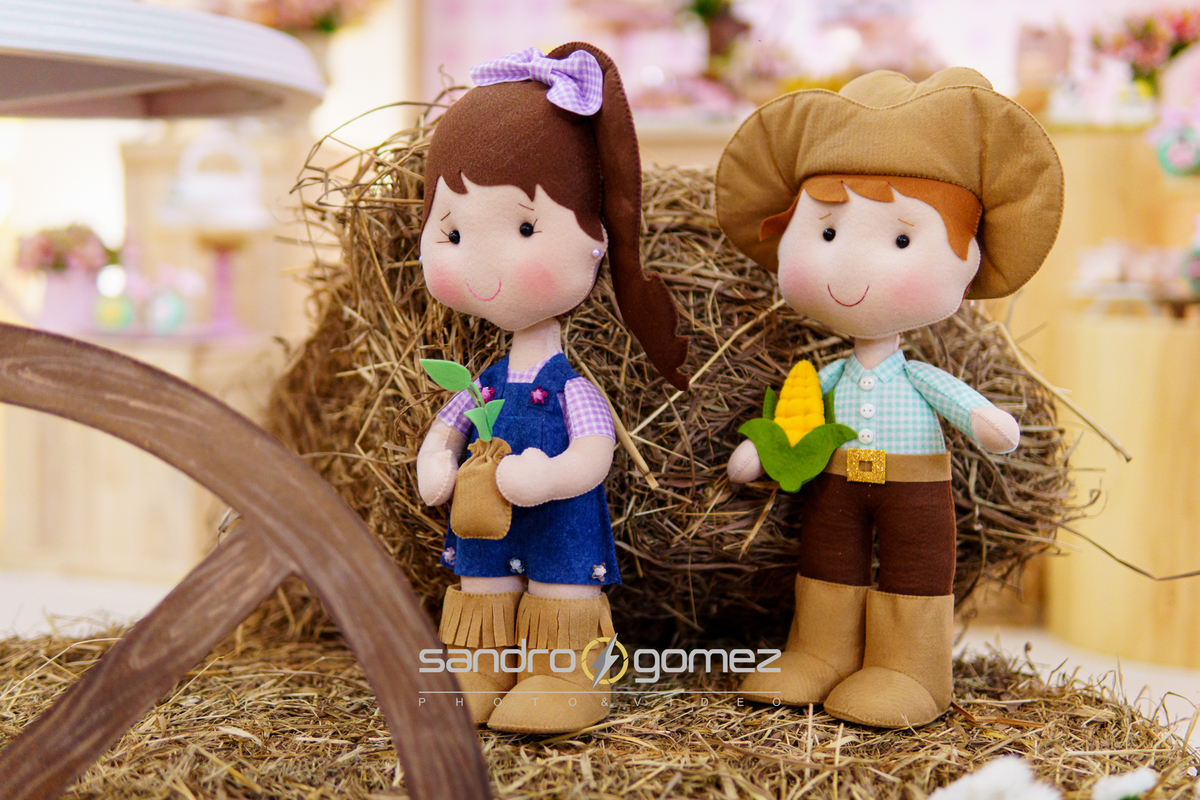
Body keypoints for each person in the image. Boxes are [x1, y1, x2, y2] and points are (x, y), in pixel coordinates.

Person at [715, 67, 1063, 728]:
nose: (850, 267)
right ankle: (820, 651)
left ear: (969, 260)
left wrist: (986, 420)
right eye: (826, 232)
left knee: (915, 565)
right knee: (827, 559)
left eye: (902, 239)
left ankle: (911, 669)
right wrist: (760, 452)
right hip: (836, 483)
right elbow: (795, 413)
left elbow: (955, 398)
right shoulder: (825, 377)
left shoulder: (919, 376)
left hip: (916, 489)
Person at [416, 43, 688, 734]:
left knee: (559, 589)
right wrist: (436, 461)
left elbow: (594, 455)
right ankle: (478, 666)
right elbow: (447, 428)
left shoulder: (572, 388)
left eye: (525, 227)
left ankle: (565, 674)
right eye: (453, 232)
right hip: (484, 521)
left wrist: (549, 476)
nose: (485, 263)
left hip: (558, 518)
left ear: (594, 240)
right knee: (482, 583)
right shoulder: (480, 383)